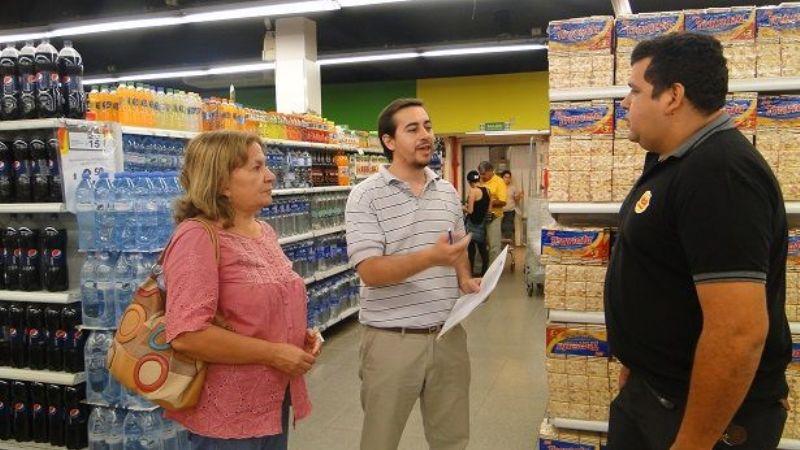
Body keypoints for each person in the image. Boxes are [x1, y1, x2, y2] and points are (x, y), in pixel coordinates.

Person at [605, 32, 791, 449]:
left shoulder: (720, 175)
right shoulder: (675, 162)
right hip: (654, 392)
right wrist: (637, 363)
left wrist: (692, 443)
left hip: (698, 416)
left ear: (672, 96)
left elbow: (738, 332)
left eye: (634, 90)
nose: (625, 102)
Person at [162, 131, 322, 449]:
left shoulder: (263, 231)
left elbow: (261, 304)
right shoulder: (197, 237)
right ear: (221, 181)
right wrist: (275, 352)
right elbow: (186, 334)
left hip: (273, 400)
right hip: (227, 414)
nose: (271, 175)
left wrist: (295, 336)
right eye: (256, 167)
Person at [345, 98, 481, 450]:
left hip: (448, 337)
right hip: (392, 340)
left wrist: (464, 279)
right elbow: (371, 271)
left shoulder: (448, 191)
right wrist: (432, 257)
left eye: (428, 126)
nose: (426, 136)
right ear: (389, 141)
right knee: (380, 441)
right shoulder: (365, 197)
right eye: (412, 129)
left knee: (452, 440)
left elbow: (456, 248)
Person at [477, 161, 506, 261]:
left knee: (494, 246)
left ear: (490, 171)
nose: (482, 176)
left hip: (494, 217)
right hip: (480, 217)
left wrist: (488, 202)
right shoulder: (479, 181)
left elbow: (503, 201)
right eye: (480, 173)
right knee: (479, 244)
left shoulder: (499, 182)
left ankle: (493, 272)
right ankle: (479, 271)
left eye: (484, 174)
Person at [463, 170, 490, 276]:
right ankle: (485, 273)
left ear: (469, 182)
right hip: (482, 223)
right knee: (483, 250)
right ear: (479, 179)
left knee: (471, 251)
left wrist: (462, 208)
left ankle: (470, 273)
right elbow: (488, 209)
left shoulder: (473, 191)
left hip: (472, 224)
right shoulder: (487, 191)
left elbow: (470, 210)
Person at [500, 170, 522, 244]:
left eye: (509, 177)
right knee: (499, 228)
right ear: (502, 178)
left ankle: (507, 245)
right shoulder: (498, 187)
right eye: (505, 177)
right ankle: (500, 244)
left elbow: (516, 199)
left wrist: (519, 196)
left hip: (510, 211)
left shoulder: (513, 188)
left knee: (508, 228)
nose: (507, 179)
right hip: (499, 211)